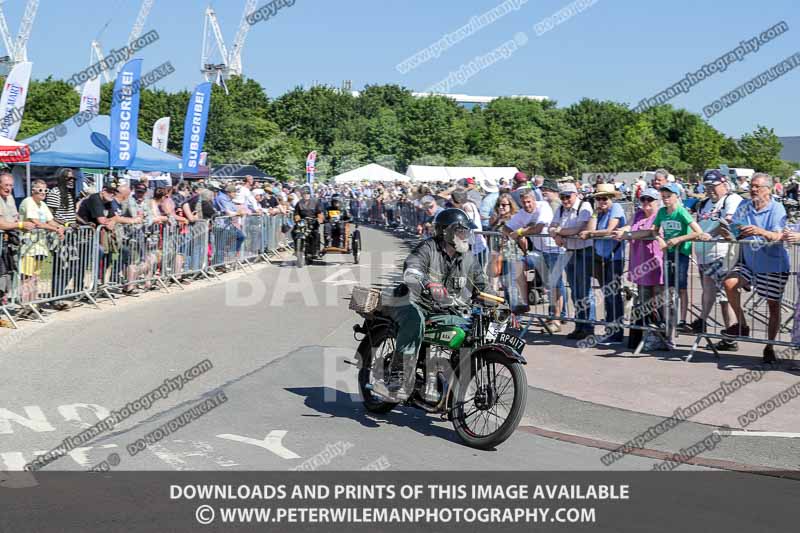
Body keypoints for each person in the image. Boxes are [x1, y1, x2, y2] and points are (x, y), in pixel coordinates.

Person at [371, 208, 487, 400]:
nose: (465, 235)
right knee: (415, 321)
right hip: (410, 301)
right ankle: (396, 376)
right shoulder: (428, 248)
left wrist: (502, 305)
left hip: (441, 308)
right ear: (446, 232)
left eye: (466, 231)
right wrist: (427, 282)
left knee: (465, 330)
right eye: (461, 231)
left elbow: (482, 286)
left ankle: (440, 377)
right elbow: (411, 267)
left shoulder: (466, 257)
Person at [722, 173, 789, 365]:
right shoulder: (744, 205)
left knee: (773, 306)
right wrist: (728, 233)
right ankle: (742, 325)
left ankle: (769, 346)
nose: (753, 190)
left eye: (757, 187)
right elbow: (734, 228)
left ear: (768, 190)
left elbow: (777, 236)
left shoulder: (777, 209)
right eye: (751, 186)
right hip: (749, 262)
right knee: (729, 282)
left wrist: (760, 231)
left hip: (772, 265)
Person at [635, 183, 707, 338]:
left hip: (681, 253)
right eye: (664, 197)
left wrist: (679, 239)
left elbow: (698, 232)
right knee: (668, 287)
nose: (666, 200)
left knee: (681, 287)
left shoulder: (681, 212)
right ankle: (669, 320)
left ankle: (682, 319)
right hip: (668, 252)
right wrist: (660, 239)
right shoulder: (661, 212)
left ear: (676, 197)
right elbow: (654, 230)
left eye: (669, 197)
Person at [689, 170, 742, 351]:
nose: (710, 189)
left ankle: (728, 329)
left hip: (723, 254)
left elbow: (726, 224)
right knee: (714, 293)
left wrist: (706, 233)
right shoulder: (703, 203)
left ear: (723, 184)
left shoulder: (731, 199)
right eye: (707, 186)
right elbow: (696, 224)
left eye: (714, 186)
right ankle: (729, 334)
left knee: (724, 294)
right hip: (704, 255)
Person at [613, 188, 665, 350]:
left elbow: (651, 231)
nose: (646, 203)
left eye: (650, 200)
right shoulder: (638, 214)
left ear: (657, 201)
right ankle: (647, 335)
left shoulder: (660, 215)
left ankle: (662, 337)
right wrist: (621, 231)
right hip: (639, 265)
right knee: (643, 302)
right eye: (643, 200)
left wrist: (628, 236)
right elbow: (628, 227)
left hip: (656, 263)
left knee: (659, 302)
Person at [579, 184, 627, 345]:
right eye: (598, 198)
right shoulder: (599, 212)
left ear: (611, 198)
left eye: (604, 198)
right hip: (600, 257)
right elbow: (591, 229)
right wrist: (594, 212)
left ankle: (617, 332)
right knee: (608, 295)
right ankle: (610, 329)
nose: (601, 201)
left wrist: (590, 234)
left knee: (613, 296)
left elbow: (609, 230)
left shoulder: (617, 208)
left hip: (614, 258)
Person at [549, 183, 595, 340]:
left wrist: (558, 232)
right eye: (562, 197)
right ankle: (579, 325)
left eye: (568, 196)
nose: (565, 200)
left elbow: (579, 228)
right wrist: (556, 235)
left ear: (575, 195)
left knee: (584, 290)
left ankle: (588, 326)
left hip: (584, 251)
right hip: (569, 251)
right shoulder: (561, 209)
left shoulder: (585, 206)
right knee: (575, 291)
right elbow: (551, 226)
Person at [17, 180, 65, 316]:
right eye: (40, 190)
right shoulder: (28, 202)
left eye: (45, 190)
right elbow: (36, 222)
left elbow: (50, 220)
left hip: (40, 246)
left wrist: (60, 228)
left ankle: (33, 305)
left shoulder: (43, 204)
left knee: (35, 277)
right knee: (27, 277)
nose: (43, 193)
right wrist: (55, 228)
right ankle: (26, 306)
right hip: (28, 246)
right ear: (33, 190)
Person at [0, 172, 34, 317]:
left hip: (8, 243)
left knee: (8, 276)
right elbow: (1, 223)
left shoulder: (10, 198)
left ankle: (3, 308)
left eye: (11, 185)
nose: (9, 188)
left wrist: (20, 223)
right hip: (2, 241)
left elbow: (14, 218)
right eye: (6, 185)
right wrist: (20, 224)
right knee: (1, 276)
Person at [293, 185, 324, 255]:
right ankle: (296, 249)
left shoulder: (315, 202)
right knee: (294, 232)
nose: (306, 195)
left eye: (307, 193)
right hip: (302, 222)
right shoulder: (299, 203)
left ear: (310, 194)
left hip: (313, 222)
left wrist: (319, 219)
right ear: (302, 194)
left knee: (315, 234)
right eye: (304, 193)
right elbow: (296, 213)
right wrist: (297, 219)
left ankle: (315, 251)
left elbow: (319, 212)